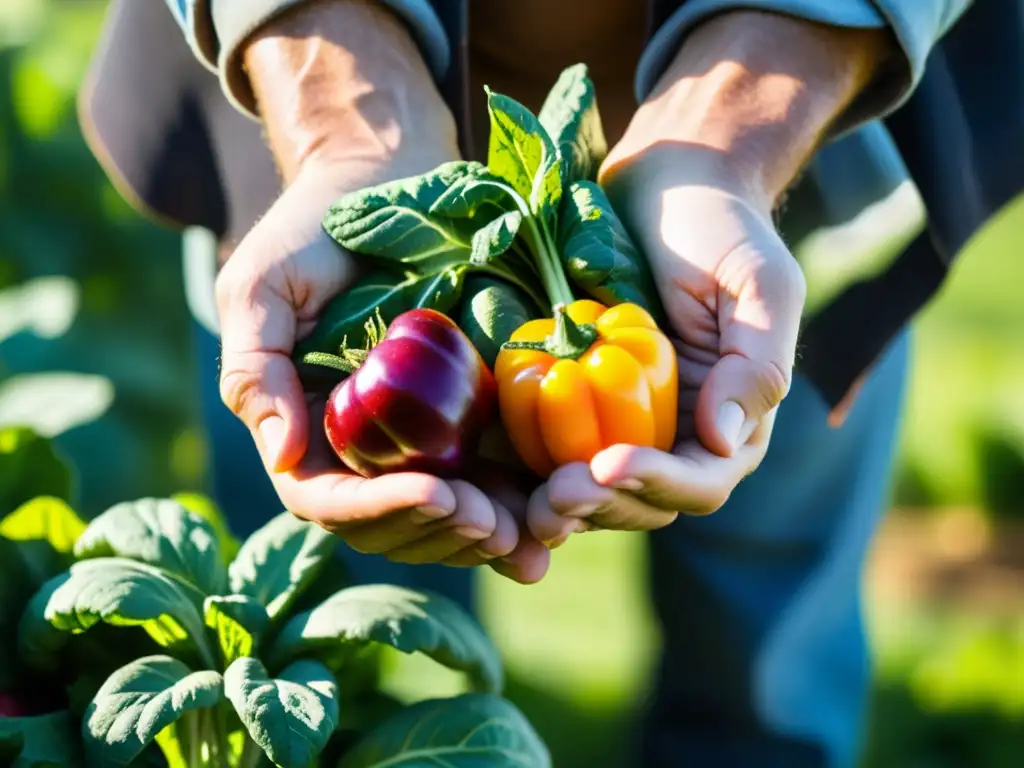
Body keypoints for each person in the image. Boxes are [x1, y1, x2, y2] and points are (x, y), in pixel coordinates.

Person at [79, 1, 1020, 765]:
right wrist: (343, 122)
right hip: (300, 151)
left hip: (797, 176)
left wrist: (726, 137)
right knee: (346, 654)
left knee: (764, 641)